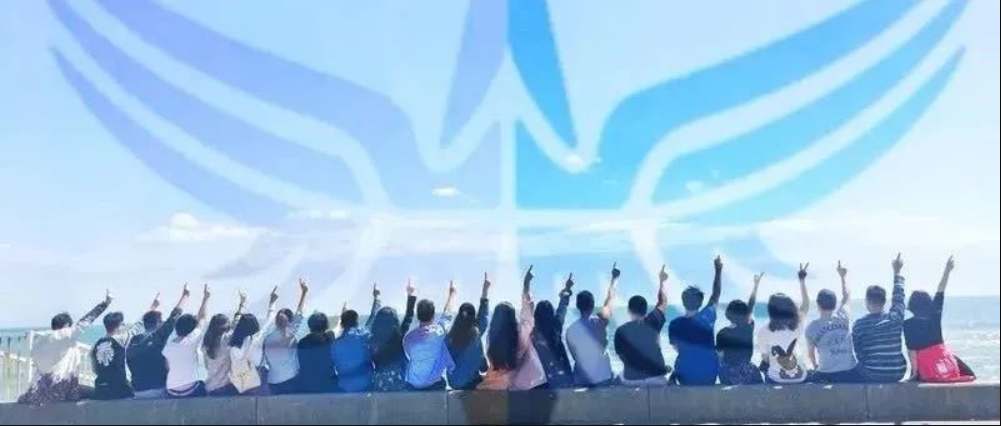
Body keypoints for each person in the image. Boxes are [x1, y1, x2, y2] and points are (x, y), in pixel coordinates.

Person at [19, 291, 111, 406]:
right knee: (99, 394)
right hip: (62, 391)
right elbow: (85, 322)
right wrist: (104, 304)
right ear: (67, 325)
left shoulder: (40, 340)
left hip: (38, 392)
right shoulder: (65, 335)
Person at [904, 256, 976, 383]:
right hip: (944, 360)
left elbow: (912, 352)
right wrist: (947, 270)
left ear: (911, 306)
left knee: (918, 374)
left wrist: (914, 373)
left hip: (927, 366)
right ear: (928, 303)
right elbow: (940, 290)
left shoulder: (907, 324)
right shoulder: (934, 316)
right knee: (970, 374)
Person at [479, 266, 547, 391]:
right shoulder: (520, 334)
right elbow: (527, 313)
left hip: (495, 386)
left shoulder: (492, 341)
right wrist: (526, 284)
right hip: (516, 385)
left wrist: (485, 291)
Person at [91, 294, 161, 400]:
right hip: (118, 389)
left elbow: (94, 369)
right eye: (122, 324)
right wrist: (154, 306)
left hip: (100, 389)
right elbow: (138, 325)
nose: (124, 326)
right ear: (118, 326)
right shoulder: (121, 339)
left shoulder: (96, 344)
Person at [852, 253, 908, 384]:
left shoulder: (859, 325)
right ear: (884, 302)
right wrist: (897, 271)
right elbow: (899, 296)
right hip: (898, 372)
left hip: (872, 374)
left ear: (867, 302)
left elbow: (859, 353)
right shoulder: (895, 317)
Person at [614, 264, 672, 386]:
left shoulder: (620, 331)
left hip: (631, 380)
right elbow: (663, 302)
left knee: (617, 377)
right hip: (656, 378)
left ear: (629, 310)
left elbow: (622, 357)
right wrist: (661, 281)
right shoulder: (653, 320)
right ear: (646, 310)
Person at [669, 257, 724, 386]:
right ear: (700, 303)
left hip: (686, 378)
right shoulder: (708, 316)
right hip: (709, 376)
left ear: (683, 302)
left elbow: (677, 348)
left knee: (681, 359)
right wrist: (718, 270)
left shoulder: (675, 324)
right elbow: (715, 295)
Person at [128, 286, 189, 400]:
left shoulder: (133, 341)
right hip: (157, 390)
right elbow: (175, 316)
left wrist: (154, 306)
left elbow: (141, 321)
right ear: (159, 323)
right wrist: (185, 296)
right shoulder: (158, 336)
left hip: (137, 392)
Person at [807, 262, 861, 384]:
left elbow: (810, 355)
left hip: (826, 374)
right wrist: (843, 276)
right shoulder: (844, 315)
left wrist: (816, 367)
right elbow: (847, 295)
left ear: (818, 304)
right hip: (850, 372)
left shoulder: (812, 327)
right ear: (835, 303)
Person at [757, 263, 811, 384]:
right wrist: (802, 280)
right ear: (791, 308)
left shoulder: (764, 331)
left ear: (771, 311)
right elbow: (806, 304)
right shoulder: (798, 324)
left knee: (764, 367)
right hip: (800, 377)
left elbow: (765, 358)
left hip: (776, 379)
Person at [565, 264, 617, 387]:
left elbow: (575, 356)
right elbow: (609, 301)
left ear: (577, 306)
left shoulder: (570, 331)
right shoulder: (599, 323)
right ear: (593, 305)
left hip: (581, 379)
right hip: (603, 378)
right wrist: (614, 278)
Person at [403, 280, 457, 390]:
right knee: (442, 347)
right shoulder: (439, 331)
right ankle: (451, 367)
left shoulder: (408, 338)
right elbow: (447, 313)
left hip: (413, 383)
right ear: (433, 316)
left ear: (418, 316)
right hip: (433, 384)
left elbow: (411, 355)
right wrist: (452, 294)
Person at [161, 284, 212, 398]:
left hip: (171, 390)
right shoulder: (192, 339)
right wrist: (206, 298)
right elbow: (202, 318)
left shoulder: (168, 346)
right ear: (191, 329)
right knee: (203, 384)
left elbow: (167, 367)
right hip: (190, 390)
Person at [229, 286, 279, 396]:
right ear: (255, 326)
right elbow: (270, 319)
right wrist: (272, 301)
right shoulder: (257, 338)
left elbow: (235, 323)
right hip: (257, 380)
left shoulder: (232, 342)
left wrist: (241, 304)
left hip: (240, 383)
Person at [716, 272, 765, 386]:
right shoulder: (748, 327)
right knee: (755, 371)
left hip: (730, 374)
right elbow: (751, 306)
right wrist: (756, 285)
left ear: (728, 314)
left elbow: (719, 357)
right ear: (745, 314)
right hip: (748, 371)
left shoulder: (722, 333)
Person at [263, 279, 309, 395]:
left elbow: (268, 318)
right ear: (290, 320)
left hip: (273, 383)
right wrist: (304, 293)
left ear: (276, 321)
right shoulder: (290, 334)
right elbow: (299, 313)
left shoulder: (268, 336)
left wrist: (272, 301)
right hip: (291, 380)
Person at [445, 273, 491, 390]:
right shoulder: (475, 334)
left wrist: (451, 295)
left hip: (453, 383)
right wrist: (485, 290)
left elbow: (445, 316)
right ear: (473, 319)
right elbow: (483, 317)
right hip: (471, 382)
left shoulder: (448, 337)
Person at [529, 272, 574, 389]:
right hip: (566, 380)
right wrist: (567, 288)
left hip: (545, 384)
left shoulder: (533, 335)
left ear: (536, 316)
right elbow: (562, 307)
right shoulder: (556, 327)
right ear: (552, 314)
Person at [202, 291, 247, 397]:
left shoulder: (206, 342)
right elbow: (236, 322)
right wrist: (242, 304)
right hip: (225, 387)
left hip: (209, 387)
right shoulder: (227, 339)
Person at [296, 310, 337, 394]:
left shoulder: (302, 343)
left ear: (310, 326)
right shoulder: (330, 341)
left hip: (307, 386)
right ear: (326, 326)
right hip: (328, 386)